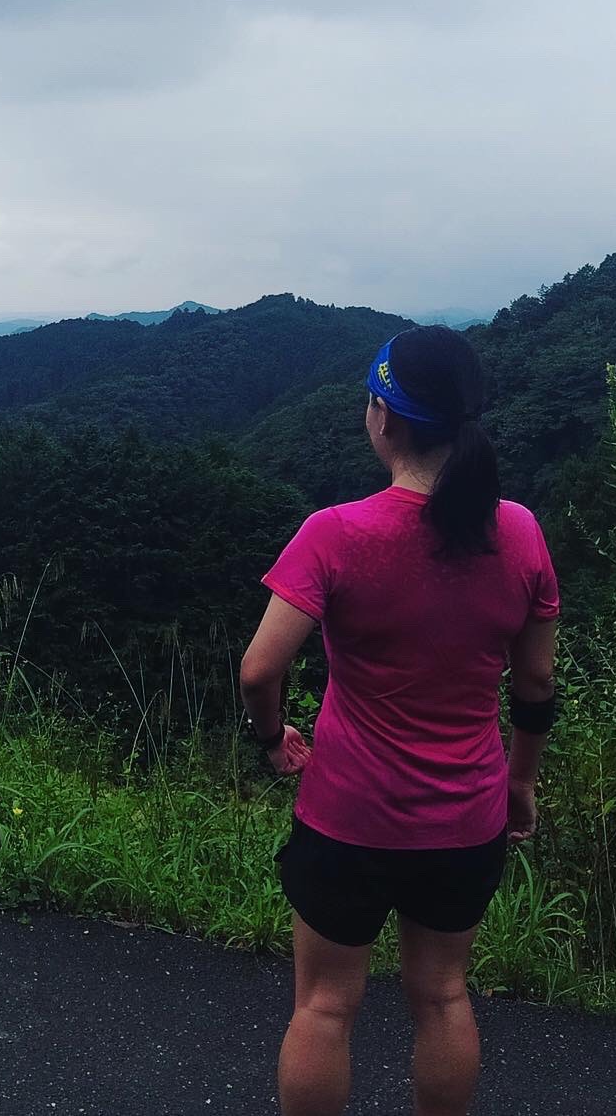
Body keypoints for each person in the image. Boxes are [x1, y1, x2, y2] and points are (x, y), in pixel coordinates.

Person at [238, 325, 559, 1116]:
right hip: (465, 817)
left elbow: (258, 667)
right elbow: (538, 679)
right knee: (444, 997)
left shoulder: (337, 533)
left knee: (324, 1007)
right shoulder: (519, 531)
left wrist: (272, 735)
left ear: (385, 417)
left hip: (348, 816)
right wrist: (520, 784)